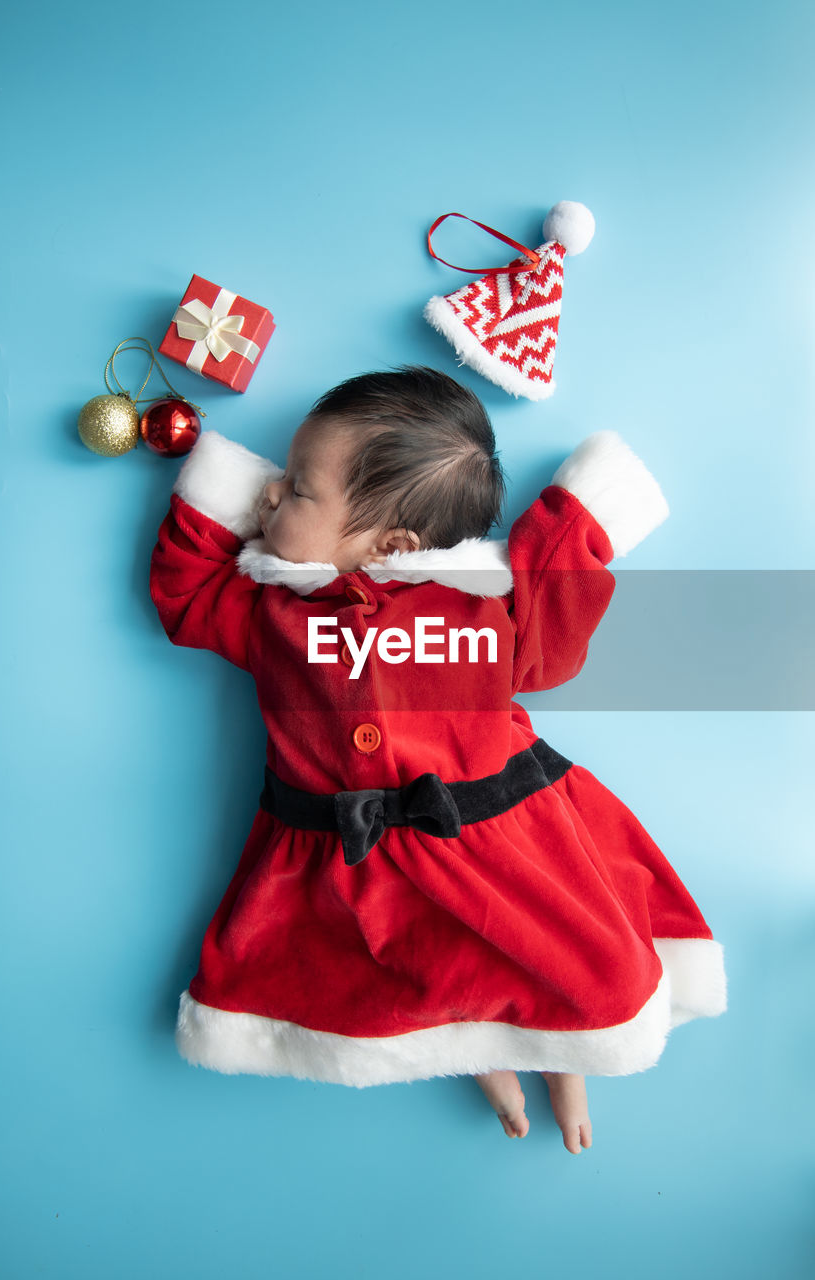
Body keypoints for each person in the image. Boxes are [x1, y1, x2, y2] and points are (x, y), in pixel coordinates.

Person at [150, 367, 726, 1154]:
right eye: (278, 480)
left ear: (393, 544)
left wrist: (573, 519)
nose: (269, 498)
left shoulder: (477, 604)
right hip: (349, 859)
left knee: (562, 967)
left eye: (297, 490)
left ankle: (566, 1055)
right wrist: (223, 485)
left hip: (495, 841)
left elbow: (553, 631)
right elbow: (185, 597)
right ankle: (478, 1054)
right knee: (418, 980)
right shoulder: (274, 608)